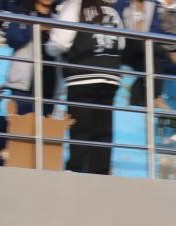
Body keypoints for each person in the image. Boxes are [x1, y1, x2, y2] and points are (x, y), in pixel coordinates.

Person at [46, 0, 125, 175]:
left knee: (81, 128)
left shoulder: (75, 4)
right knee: (103, 130)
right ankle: (100, 174)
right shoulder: (112, 10)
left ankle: (76, 170)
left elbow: (60, 41)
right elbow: (121, 43)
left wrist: (49, 48)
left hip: (82, 74)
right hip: (110, 74)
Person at [5, 0, 58, 115]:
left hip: (50, 87)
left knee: (46, 126)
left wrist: (55, 33)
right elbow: (14, 39)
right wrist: (35, 27)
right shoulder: (22, 13)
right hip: (24, 86)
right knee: (21, 125)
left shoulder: (59, 18)